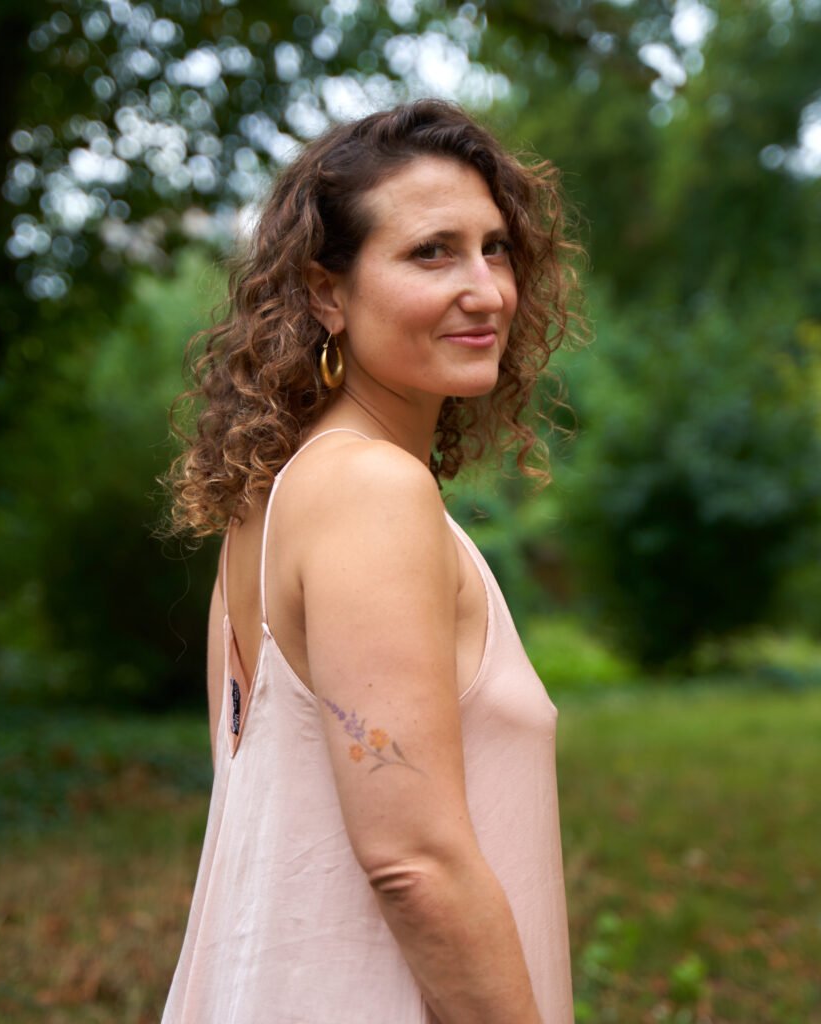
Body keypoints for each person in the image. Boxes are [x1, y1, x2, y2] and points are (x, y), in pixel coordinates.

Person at [161, 98, 584, 1024]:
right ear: (325, 292)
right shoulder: (369, 494)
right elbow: (414, 863)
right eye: (432, 252)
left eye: (495, 247)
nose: (487, 290)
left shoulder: (272, 499)